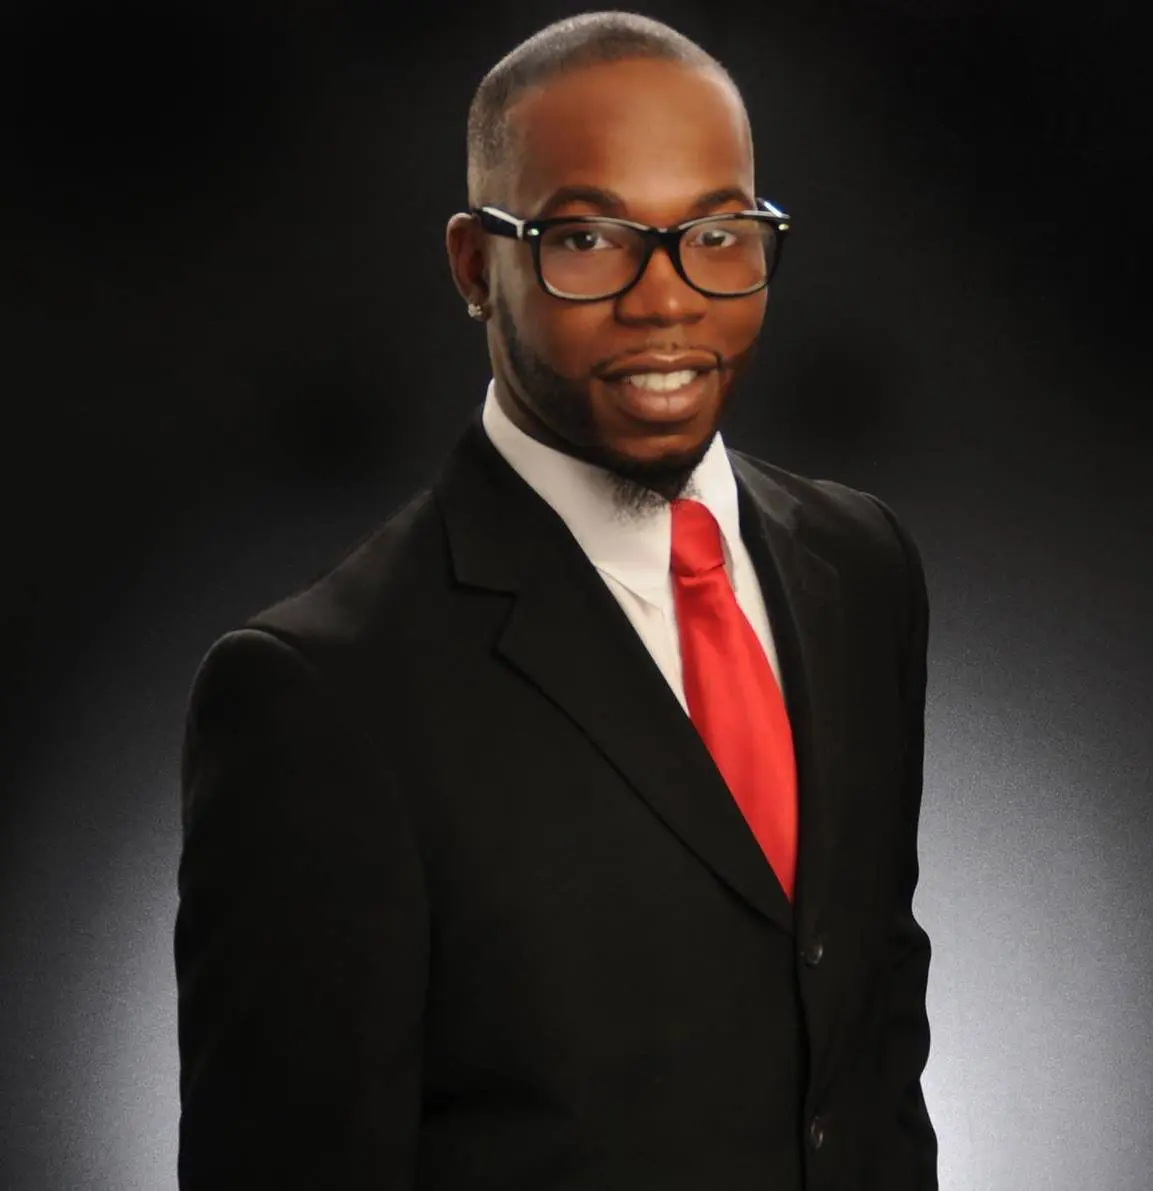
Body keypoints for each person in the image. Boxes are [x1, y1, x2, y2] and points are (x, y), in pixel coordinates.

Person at [174, 11, 938, 1190]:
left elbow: (867, 1049)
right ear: (478, 267)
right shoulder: (320, 696)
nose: (668, 298)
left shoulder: (863, 566)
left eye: (718, 232)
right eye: (588, 238)